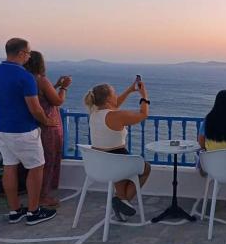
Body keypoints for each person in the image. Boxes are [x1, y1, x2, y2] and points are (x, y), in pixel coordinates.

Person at [0, 38, 57, 225]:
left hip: (1, 129)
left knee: (10, 167)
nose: (29, 56)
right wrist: (46, 121)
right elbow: (35, 109)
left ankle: (15, 210)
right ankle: (33, 212)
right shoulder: (25, 77)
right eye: (28, 52)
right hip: (23, 130)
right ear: (21, 53)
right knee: (36, 167)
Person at [84, 80, 151, 221]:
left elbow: (111, 107)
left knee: (120, 164)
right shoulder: (116, 116)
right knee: (145, 168)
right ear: (108, 98)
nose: (116, 95)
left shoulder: (94, 113)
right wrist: (144, 95)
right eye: (114, 93)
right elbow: (143, 114)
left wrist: (129, 90)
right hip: (117, 165)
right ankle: (122, 199)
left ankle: (121, 199)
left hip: (99, 165)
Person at [24, 51, 72, 207]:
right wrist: (63, 88)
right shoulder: (41, 80)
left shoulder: (25, 79)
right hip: (48, 124)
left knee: (35, 162)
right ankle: (43, 196)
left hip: (32, 124)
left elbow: (42, 96)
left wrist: (55, 85)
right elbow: (57, 101)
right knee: (47, 160)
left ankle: (33, 192)